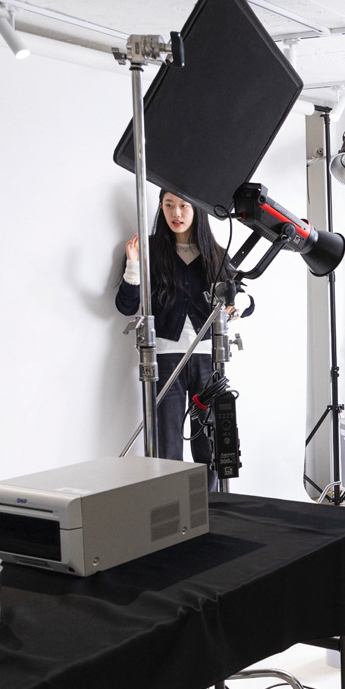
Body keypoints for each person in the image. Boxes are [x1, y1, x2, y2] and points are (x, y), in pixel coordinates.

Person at [115, 190, 253, 491]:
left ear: (196, 209)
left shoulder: (216, 253)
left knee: (211, 445)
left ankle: (211, 506)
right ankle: (173, 507)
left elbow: (242, 300)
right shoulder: (149, 250)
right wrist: (133, 266)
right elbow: (126, 306)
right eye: (168, 205)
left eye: (183, 206)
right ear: (161, 208)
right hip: (164, 359)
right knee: (167, 446)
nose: (176, 213)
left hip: (208, 359)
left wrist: (237, 304)